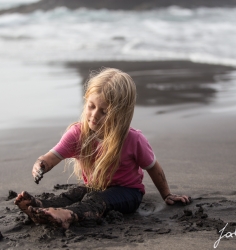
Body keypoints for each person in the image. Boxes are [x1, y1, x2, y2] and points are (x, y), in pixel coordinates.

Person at [14, 68, 191, 229]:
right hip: (95, 186)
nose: (94, 115)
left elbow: (153, 167)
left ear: (120, 115)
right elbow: (51, 157)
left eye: (104, 111)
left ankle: (69, 215)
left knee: (97, 200)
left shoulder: (133, 139)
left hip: (128, 193)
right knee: (75, 193)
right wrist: (40, 165)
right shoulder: (78, 134)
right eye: (91, 106)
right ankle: (39, 205)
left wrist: (167, 194)